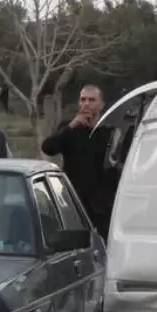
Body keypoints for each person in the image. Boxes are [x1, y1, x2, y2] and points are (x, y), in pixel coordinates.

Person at [40, 84, 114, 236]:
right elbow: (48, 147)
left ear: (101, 104)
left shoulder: (109, 132)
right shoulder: (69, 129)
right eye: (83, 99)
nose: (86, 104)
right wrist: (72, 125)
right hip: (74, 199)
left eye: (92, 100)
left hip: (101, 204)